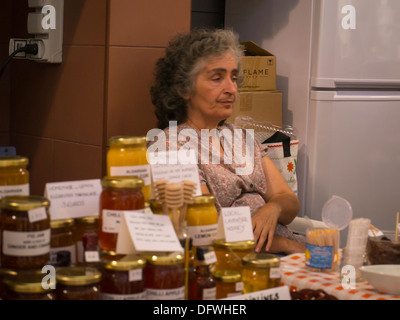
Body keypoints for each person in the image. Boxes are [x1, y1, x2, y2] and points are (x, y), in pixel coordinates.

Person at [149, 28, 305, 254]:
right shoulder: (170, 147)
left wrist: (272, 208)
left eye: (233, 77)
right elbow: (205, 232)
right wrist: (291, 246)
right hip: (234, 265)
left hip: (278, 256)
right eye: (217, 78)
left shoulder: (239, 136)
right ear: (184, 89)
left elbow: (289, 202)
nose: (231, 89)